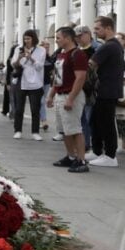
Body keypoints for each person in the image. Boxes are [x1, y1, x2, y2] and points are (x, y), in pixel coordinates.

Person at [48, 27, 89, 173]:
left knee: (75, 129)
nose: (56, 40)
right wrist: (51, 95)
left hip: (72, 96)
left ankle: (81, 160)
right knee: (65, 130)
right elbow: (57, 78)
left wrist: (71, 98)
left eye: (58, 37)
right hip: (60, 94)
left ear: (68, 38)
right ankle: (71, 157)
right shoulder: (61, 54)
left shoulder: (77, 54)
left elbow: (80, 77)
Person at [86, 16, 125, 167]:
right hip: (106, 89)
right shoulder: (113, 45)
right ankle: (97, 151)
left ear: (108, 28)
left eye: (97, 29)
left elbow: (91, 64)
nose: (95, 32)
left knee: (106, 123)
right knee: (96, 121)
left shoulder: (109, 46)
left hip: (108, 90)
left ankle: (110, 156)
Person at [11, 29, 46, 140]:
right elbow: (14, 65)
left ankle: (35, 132)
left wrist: (30, 57)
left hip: (36, 82)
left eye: (28, 39)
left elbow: (39, 66)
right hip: (21, 81)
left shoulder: (41, 50)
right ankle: (18, 130)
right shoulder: (18, 49)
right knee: (19, 108)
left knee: (35, 108)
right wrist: (20, 57)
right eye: (25, 38)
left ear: (34, 39)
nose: (26, 41)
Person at [75, 25, 101, 151]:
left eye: (80, 36)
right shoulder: (78, 49)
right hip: (81, 87)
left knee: (89, 116)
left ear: (88, 34)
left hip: (92, 88)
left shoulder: (97, 48)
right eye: (76, 37)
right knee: (82, 117)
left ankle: (89, 144)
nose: (78, 39)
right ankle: (85, 143)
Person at [39, 39, 56, 131]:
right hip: (38, 83)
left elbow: (53, 70)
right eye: (45, 47)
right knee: (41, 101)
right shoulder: (38, 57)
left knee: (41, 101)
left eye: (48, 47)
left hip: (46, 82)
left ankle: (40, 120)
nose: (47, 48)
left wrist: (54, 81)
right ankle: (44, 121)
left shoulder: (50, 58)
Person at [2, 44, 19, 118]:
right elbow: (9, 71)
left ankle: (14, 112)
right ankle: (14, 113)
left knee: (15, 97)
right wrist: (8, 83)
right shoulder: (10, 60)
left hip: (15, 78)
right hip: (13, 78)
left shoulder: (14, 59)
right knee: (13, 97)